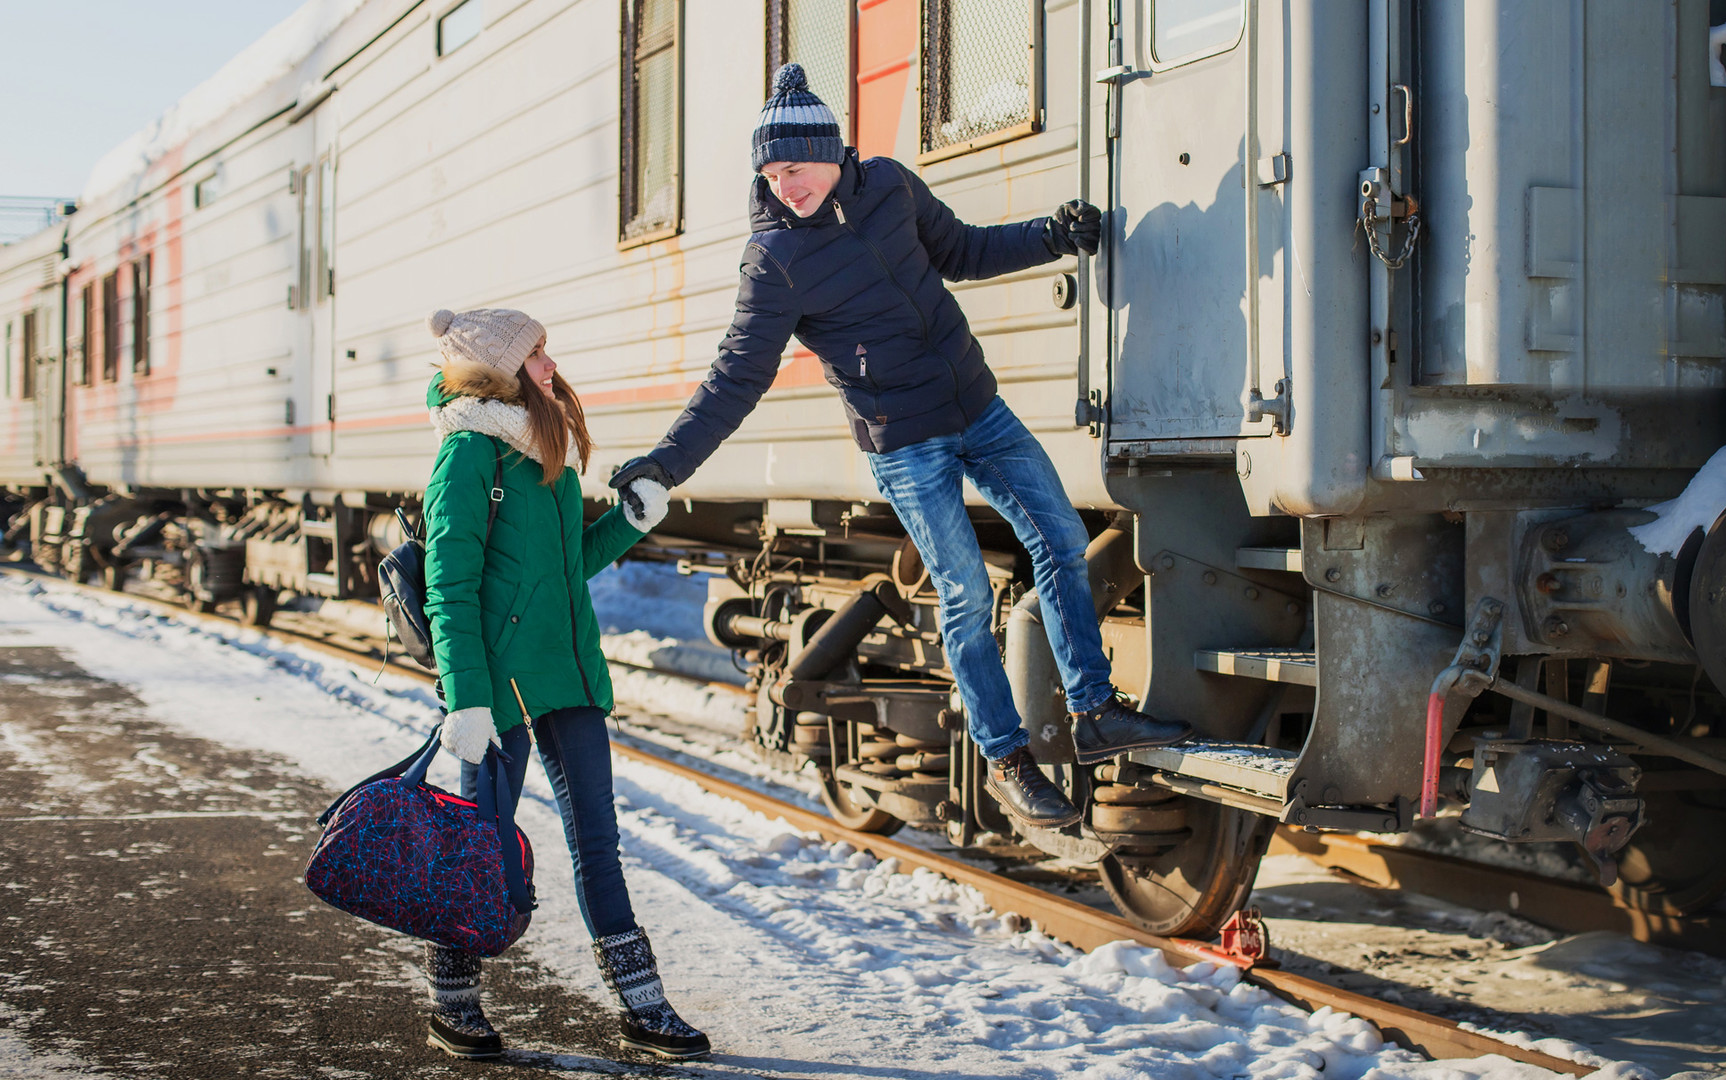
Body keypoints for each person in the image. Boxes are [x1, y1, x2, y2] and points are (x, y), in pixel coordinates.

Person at [609, 64, 1190, 832]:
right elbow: (734, 380)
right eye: (771, 173)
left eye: (796, 167)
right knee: (967, 593)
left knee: (1060, 535)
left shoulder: (888, 186)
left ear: (833, 150)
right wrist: (665, 463)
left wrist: (1051, 236)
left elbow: (963, 251)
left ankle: (1094, 712)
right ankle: (1008, 758)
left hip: (977, 407)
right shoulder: (774, 261)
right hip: (906, 442)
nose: (786, 186)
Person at [418, 306, 706, 1061]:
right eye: (536, 355)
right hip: (501, 689)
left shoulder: (538, 445)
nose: (550, 365)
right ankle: (453, 998)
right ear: (500, 370)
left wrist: (630, 522)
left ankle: (643, 1005)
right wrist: (466, 696)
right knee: (480, 848)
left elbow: (565, 566)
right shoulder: (468, 455)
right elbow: (449, 586)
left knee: (598, 842)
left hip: (571, 675)